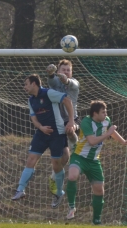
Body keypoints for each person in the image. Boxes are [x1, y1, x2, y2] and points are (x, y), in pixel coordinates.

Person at [65, 100, 127, 225]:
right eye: (103, 112)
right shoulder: (86, 122)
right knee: (72, 175)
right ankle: (71, 207)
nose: (105, 114)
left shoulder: (106, 120)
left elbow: (112, 132)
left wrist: (123, 141)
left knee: (99, 190)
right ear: (95, 114)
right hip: (79, 156)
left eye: (105, 111)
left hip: (94, 161)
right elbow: (92, 141)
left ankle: (96, 221)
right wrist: (107, 133)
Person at [11, 74, 74, 209]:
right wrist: (41, 127)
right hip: (41, 133)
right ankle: (20, 190)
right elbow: (33, 117)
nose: (24, 87)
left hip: (57, 133)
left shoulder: (49, 93)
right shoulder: (31, 100)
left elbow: (67, 101)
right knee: (30, 160)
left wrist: (71, 121)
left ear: (34, 84)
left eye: (26, 84)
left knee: (56, 164)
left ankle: (58, 192)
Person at [46, 60, 80, 195]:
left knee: (71, 130)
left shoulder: (75, 84)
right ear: (58, 71)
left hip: (72, 119)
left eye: (68, 70)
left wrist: (65, 79)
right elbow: (52, 79)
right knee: (64, 157)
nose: (66, 72)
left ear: (71, 72)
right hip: (57, 122)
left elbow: (69, 82)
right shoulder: (54, 83)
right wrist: (50, 72)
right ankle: (53, 179)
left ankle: (76, 147)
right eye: (63, 70)